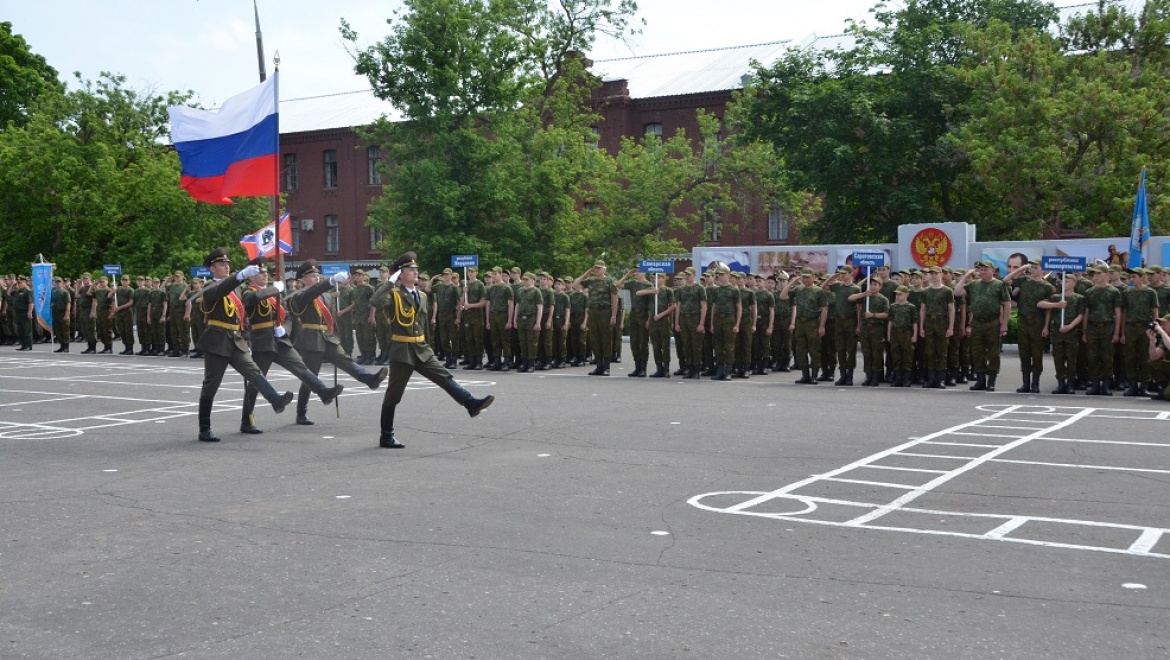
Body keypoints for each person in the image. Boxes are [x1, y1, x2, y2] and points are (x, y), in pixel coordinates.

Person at [371, 252, 495, 448]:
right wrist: (390, 282)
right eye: (410, 270)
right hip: (402, 351)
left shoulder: (421, 295)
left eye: (416, 269)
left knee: (444, 377)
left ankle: (470, 403)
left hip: (421, 348)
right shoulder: (393, 295)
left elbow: (423, 324)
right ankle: (386, 436)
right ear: (400, 275)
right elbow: (375, 301)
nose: (415, 272)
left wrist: (430, 345)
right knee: (393, 396)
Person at [194, 248, 295, 442]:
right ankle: (204, 427)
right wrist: (240, 276)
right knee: (211, 385)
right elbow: (221, 290)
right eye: (222, 264)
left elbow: (242, 317)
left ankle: (274, 401)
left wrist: (246, 338)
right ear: (213, 269)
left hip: (236, 340)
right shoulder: (209, 289)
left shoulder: (236, 289)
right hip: (217, 341)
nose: (227, 266)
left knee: (254, 372)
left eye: (228, 264)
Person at [239, 260, 345, 434]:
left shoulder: (273, 297)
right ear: (251, 276)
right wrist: (276, 289)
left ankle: (323, 391)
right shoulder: (249, 292)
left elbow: (286, 316)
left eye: (267, 273)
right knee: (257, 381)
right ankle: (246, 420)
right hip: (262, 341)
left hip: (280, 340)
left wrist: (284, 329)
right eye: (261, 273)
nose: (266, 275)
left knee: (301, 368)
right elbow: (254, 299)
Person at [286, 260, 389, 426]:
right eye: (312, 276)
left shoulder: (325, 295)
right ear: (303, 280)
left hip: (328, 337)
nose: (316, 278)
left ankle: (370, 379)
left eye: (317, 275)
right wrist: (331, 281)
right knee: (310, 377)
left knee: (346, 361)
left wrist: (336, 337)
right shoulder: (301, 296)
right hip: (311, 339)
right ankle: (301, 412)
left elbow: (331, 318)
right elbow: (311, 294)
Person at [955, 261, 1011, 391]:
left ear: (993, 271)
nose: (982, 272)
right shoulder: (974, 284)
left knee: (993, 353)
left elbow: (1007, 304)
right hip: (978, 323)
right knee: (977, 352)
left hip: (993, 322)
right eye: (980, 270)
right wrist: (965, 276)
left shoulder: (999, 284)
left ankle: (991, 381)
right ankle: (980, 381)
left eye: (986, 269)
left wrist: (1004, 323)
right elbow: (957, 292)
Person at [1038, 273, 1086, 394]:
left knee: (1071, 359)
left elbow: (1081, 315)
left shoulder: (1079, 298)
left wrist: (1070, 326)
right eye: (1063, 281)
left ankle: (1070, 384)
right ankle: (1061, 383)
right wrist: (1057, 305)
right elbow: (1040, 304)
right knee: (1058, 359)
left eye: (1067, 281)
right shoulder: (1056, 297)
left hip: (1071, 332)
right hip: (1057, 332)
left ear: (1074, 283)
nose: (1064, 283)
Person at [1082, 265, 1124, 395]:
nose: (1096, 276)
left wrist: (1117, 332)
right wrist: (1084, 331)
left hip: (1107, 327)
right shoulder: (1089, 292)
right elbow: (1086, 313)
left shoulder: (1113, 292)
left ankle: (1106, 384)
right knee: (1092, 357)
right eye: (1095, 274)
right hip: (1092, 327)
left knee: (1107, 357)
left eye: (1099, 274)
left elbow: (1118, 313)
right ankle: (1095, 384)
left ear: (1106, 275)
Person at [573, 260, 618, 376]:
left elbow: (614, 299)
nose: (597, 270)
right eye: (595, 268)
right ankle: (599, 366)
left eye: (599, 268)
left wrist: (613, 316)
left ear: (604, 269)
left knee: (606, 339)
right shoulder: (590, 281)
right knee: (595, 339)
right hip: (593, 312)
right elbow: (575, 285)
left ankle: (606, 366)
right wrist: (586, 273)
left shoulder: (609, 281)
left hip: (605, 311)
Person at [50, 277, 72, 353]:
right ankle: (61, 346)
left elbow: (68, 303)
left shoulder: (65, 292)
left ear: (62, 283)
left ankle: (66, 347)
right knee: (58, 331)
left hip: (63, 313)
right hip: (55, 314)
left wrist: (67, 314)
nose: (58, 284)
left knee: (65, 331)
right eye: (56, 282)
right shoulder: (53, 292)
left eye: (59, 282)